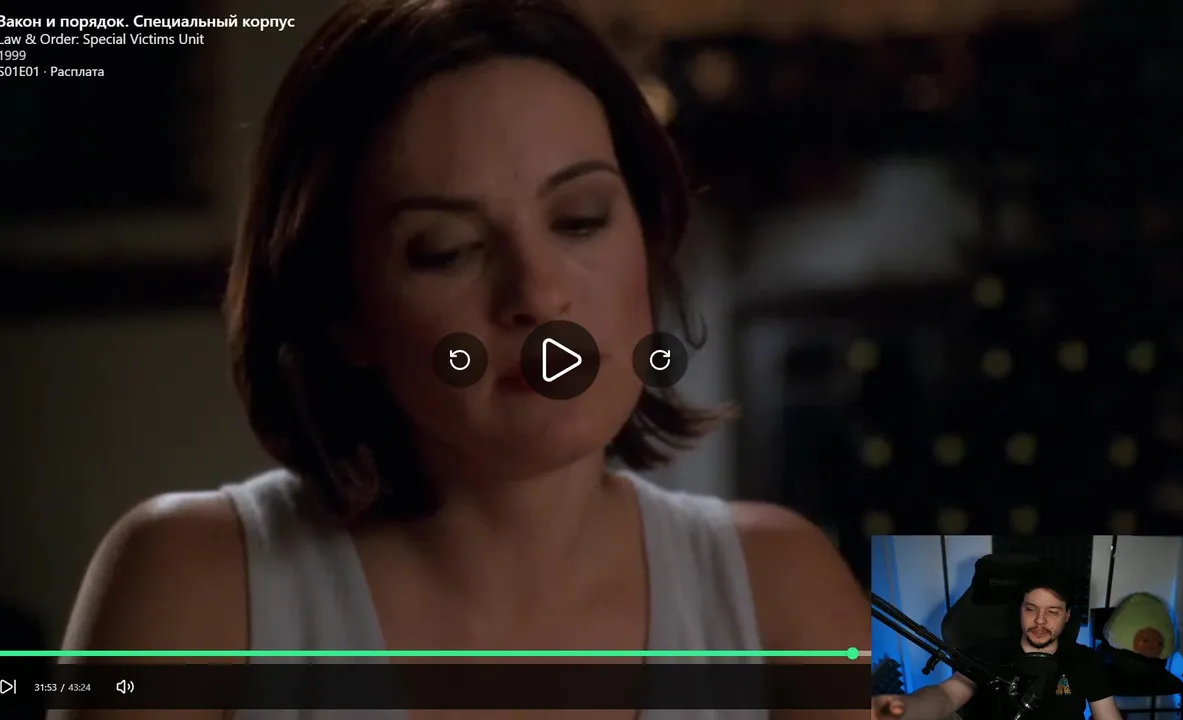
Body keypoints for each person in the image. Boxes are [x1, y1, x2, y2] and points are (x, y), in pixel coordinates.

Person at [55, 0, 868, 718]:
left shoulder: (783, 593)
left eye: (580, 219)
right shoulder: (193, 589)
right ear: (343, 312)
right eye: (446, 250)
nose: (538, 293)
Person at [872, 579, 1122, 720]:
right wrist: (900, 708)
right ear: (1020, 610)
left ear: (1067, 616)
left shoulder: (1086, 660)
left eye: (1053, 612)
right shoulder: (989, 653)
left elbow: (1108, 717)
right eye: (1031, 609)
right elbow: (946, 695)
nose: (1040, 621)